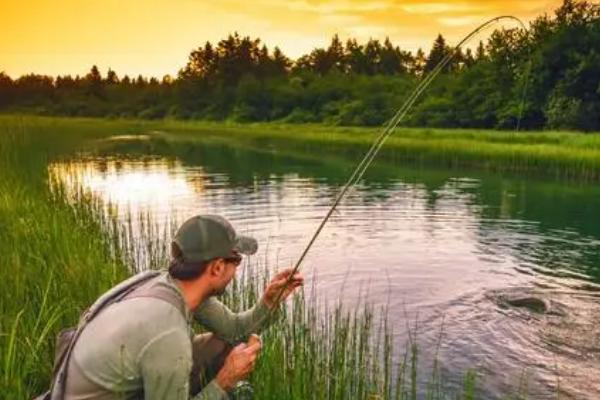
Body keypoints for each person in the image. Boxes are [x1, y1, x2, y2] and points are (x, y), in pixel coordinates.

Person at [63, 214, 303, 399]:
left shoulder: (167, 283)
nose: (237, 270)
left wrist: (269, 302)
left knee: (222, 344)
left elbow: (234, 331)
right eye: (236, 260)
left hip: (94, 385)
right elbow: (168, 341)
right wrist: (225, 380)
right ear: (217, 267)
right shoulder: (168, 333)